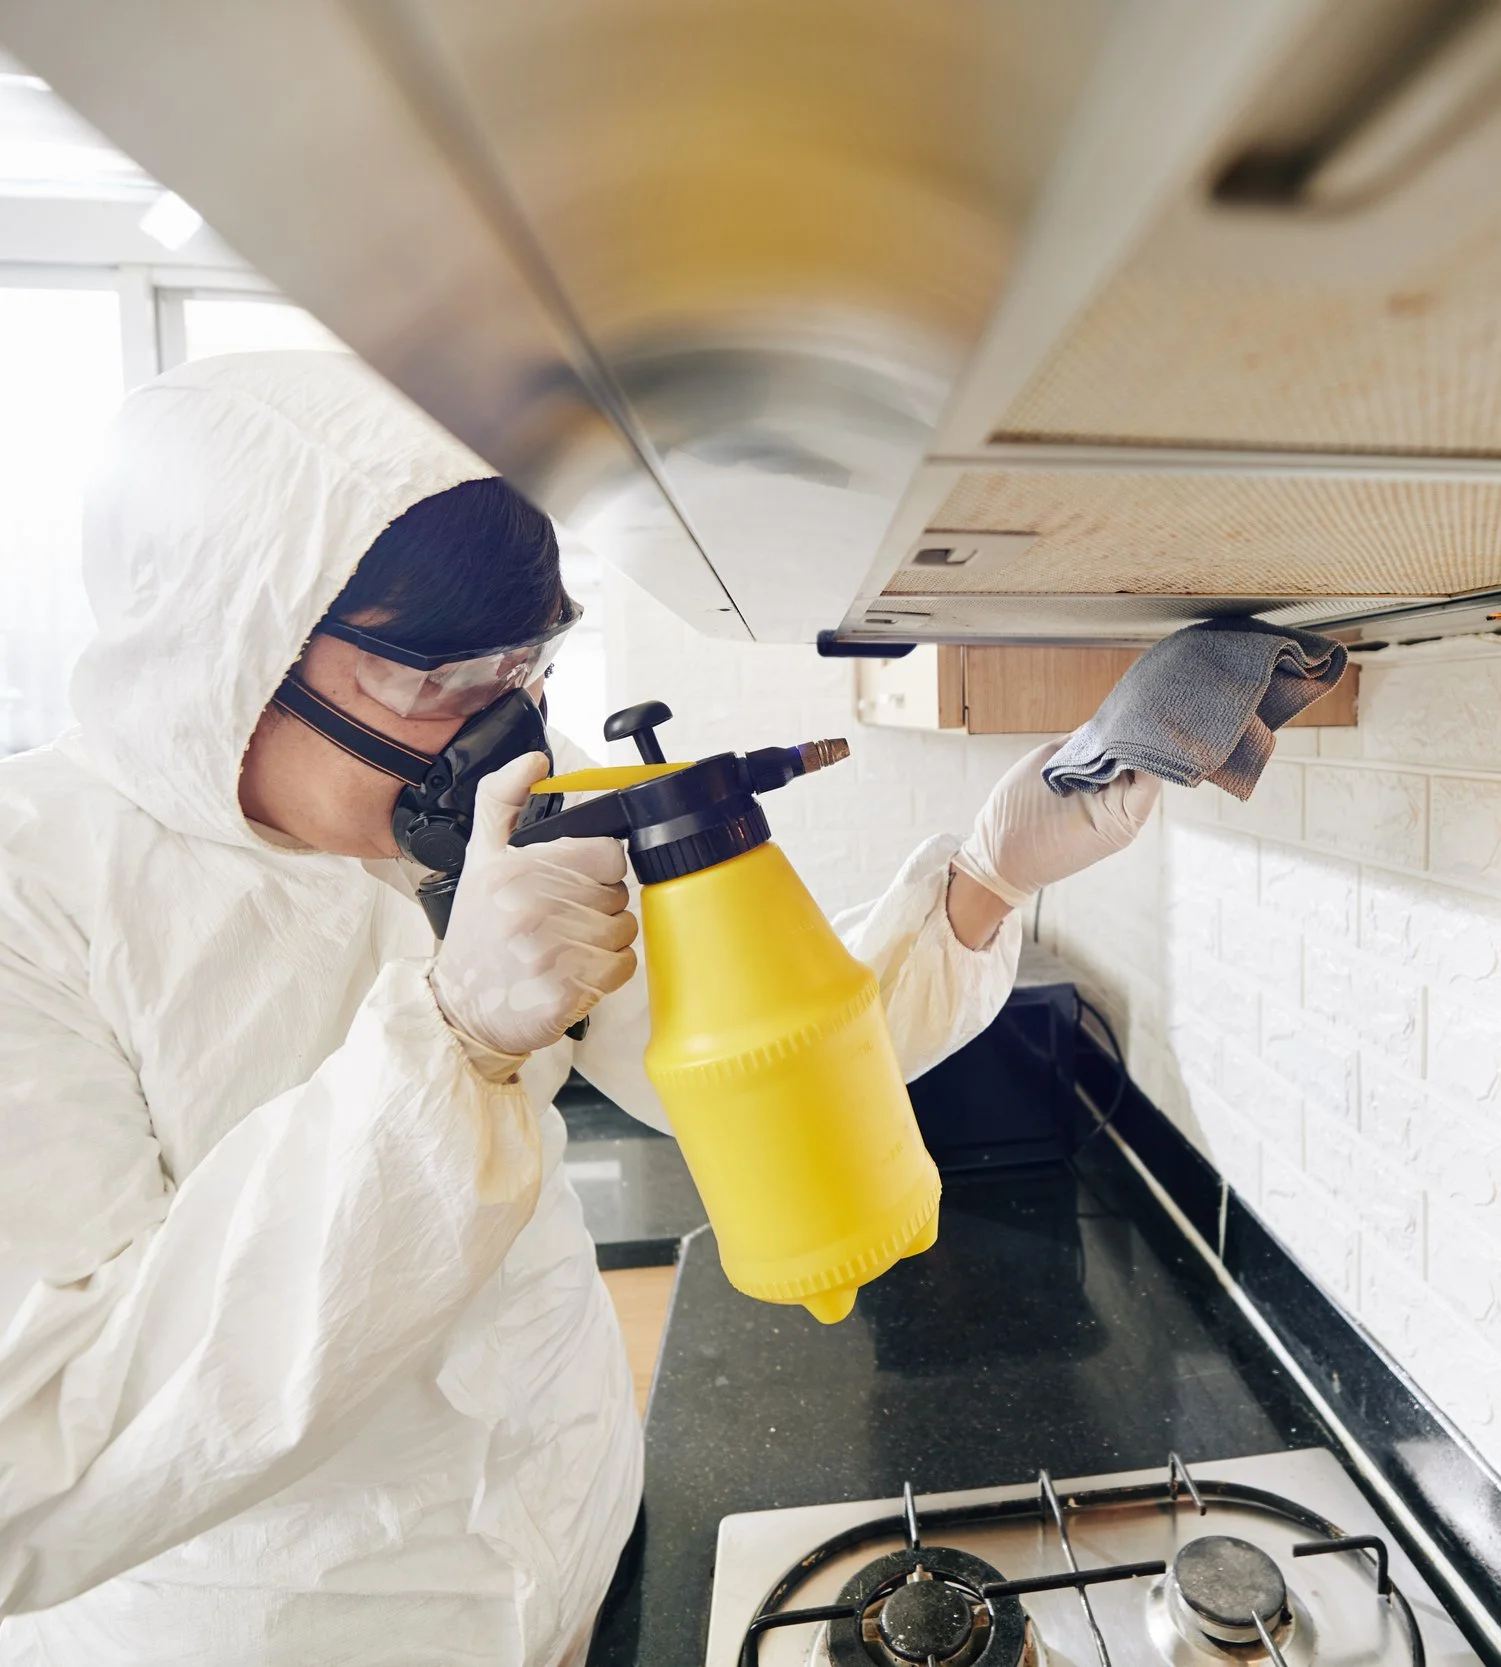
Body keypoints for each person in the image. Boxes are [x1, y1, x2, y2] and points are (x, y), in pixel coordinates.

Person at [0, 352, 1157, 1664]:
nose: (501, 724)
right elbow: (44, 1450)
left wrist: (988, 881)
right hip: (302, 1629)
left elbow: (755, 1063)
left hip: (580, 1539)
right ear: (226, 648)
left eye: (525, 662)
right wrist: (451, 1043)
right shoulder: (36, 891)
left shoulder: (465, 822)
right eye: (434, 678)